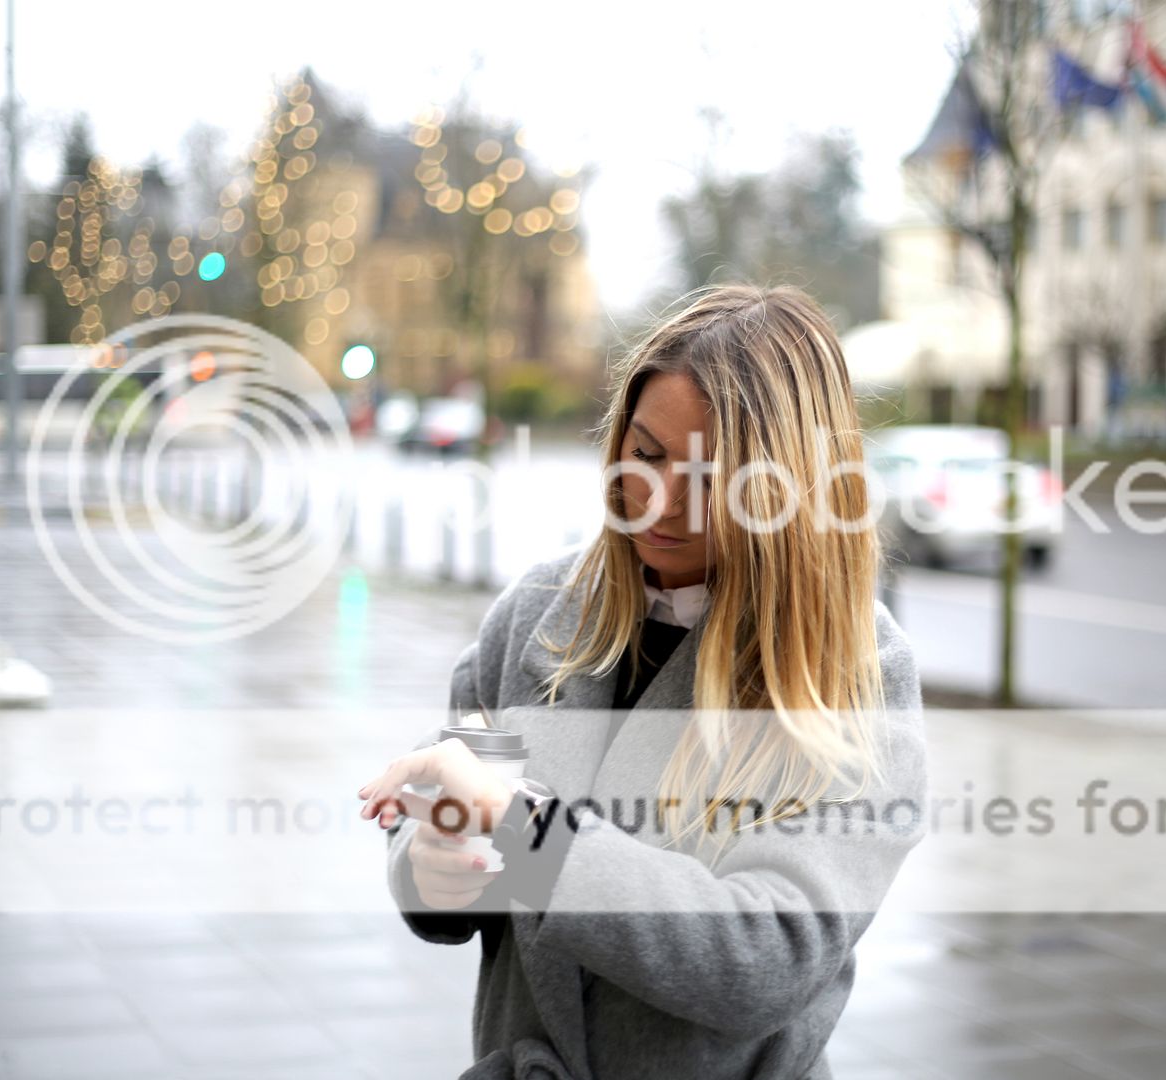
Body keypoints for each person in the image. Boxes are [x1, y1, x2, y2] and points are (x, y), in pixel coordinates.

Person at [358, 284, 926, 1080]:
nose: (659, 502)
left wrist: (523, 827)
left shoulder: (857, 670)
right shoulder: (537, 610)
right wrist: (432, 864)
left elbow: (766, 958)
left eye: (710, 477)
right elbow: (451, 841)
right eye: (648, 454)